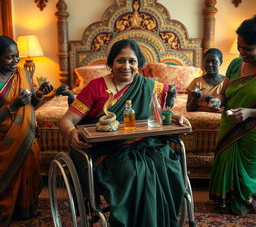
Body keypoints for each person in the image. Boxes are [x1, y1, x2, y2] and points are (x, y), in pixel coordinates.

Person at [60, 39, 191, 227]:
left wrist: (176, 116)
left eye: (132, 61)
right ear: (111, 63)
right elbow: (67, 120)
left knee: (168, 163)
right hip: (108, 150)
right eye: (120, 61)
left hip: (146, 144)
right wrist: (71, 132)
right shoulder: (95, 87)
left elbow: (157, 112)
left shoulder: (149, 86)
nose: (126, 66)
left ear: (139, 64)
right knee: (131, 171)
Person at [0, 36, 53, 225]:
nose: (16, 61)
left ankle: (25, 210)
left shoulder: (22, 73)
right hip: (4, 138)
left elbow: (32, 105)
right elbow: (15, 106)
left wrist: (40, 94)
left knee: (29, 166)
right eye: (10, 57)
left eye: (17, 56)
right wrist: (13, 106)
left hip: (25, 136)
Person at [209, 16, 256, 215]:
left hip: (251, 129)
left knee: (247, 169)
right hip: (228, 123)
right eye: (239, 47)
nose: (241, 52)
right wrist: (218, 100)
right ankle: (224, 201)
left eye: (248, 49)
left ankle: (245, 203)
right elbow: (223, 91)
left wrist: (249, 112)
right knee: (224, 161)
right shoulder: (236, 64)